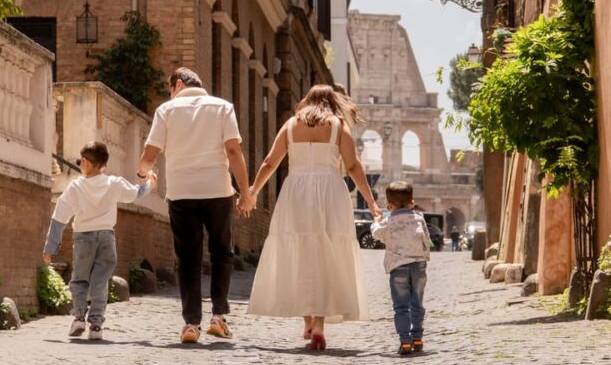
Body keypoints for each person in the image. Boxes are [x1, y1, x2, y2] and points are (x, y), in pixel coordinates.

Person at [246, 85, 381, 350]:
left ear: (307, 100)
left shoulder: (290, 125)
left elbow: (270, 163)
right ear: (333, 103)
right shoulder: (337, 125)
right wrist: (372, 201)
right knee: (325, 252)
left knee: (300, 252)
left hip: (296, 191)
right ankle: (318, 322)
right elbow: (353, 166)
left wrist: (252, 191)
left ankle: (307, 319)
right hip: (330, 190)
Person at [137, 67, 255, 343]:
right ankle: (219, 318)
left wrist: (143, 174)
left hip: (182, 193)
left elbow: (150, 153)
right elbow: (234, 151)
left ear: (177, 84)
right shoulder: (223, 107)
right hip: (218, 190)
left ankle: (191, 324)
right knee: (221, 253)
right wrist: (246, 192)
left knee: (187, 259)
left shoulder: (166, 110)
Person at [42, 141, 156, 340]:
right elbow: (135, 193)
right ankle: (95, 325)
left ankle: (78, 317)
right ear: (104, 164)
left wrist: (51, 247)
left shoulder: (76, 186)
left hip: (83, 237)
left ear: (85, 162)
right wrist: (150, 184)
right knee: (100, 281)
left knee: (79, 279)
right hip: (106, 237)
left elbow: (59, 217)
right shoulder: (114, 183)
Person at [370, 181, 430, 355]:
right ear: (412, 203)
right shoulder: (419, 219)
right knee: (417, 303)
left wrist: (376, 221)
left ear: (389, 205)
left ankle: (405, 342)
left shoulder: (389, 222)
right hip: (419, 266)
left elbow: (376, 234)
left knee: (401, 306)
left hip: (398, 267)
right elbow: (426, 239)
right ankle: (417, 338)